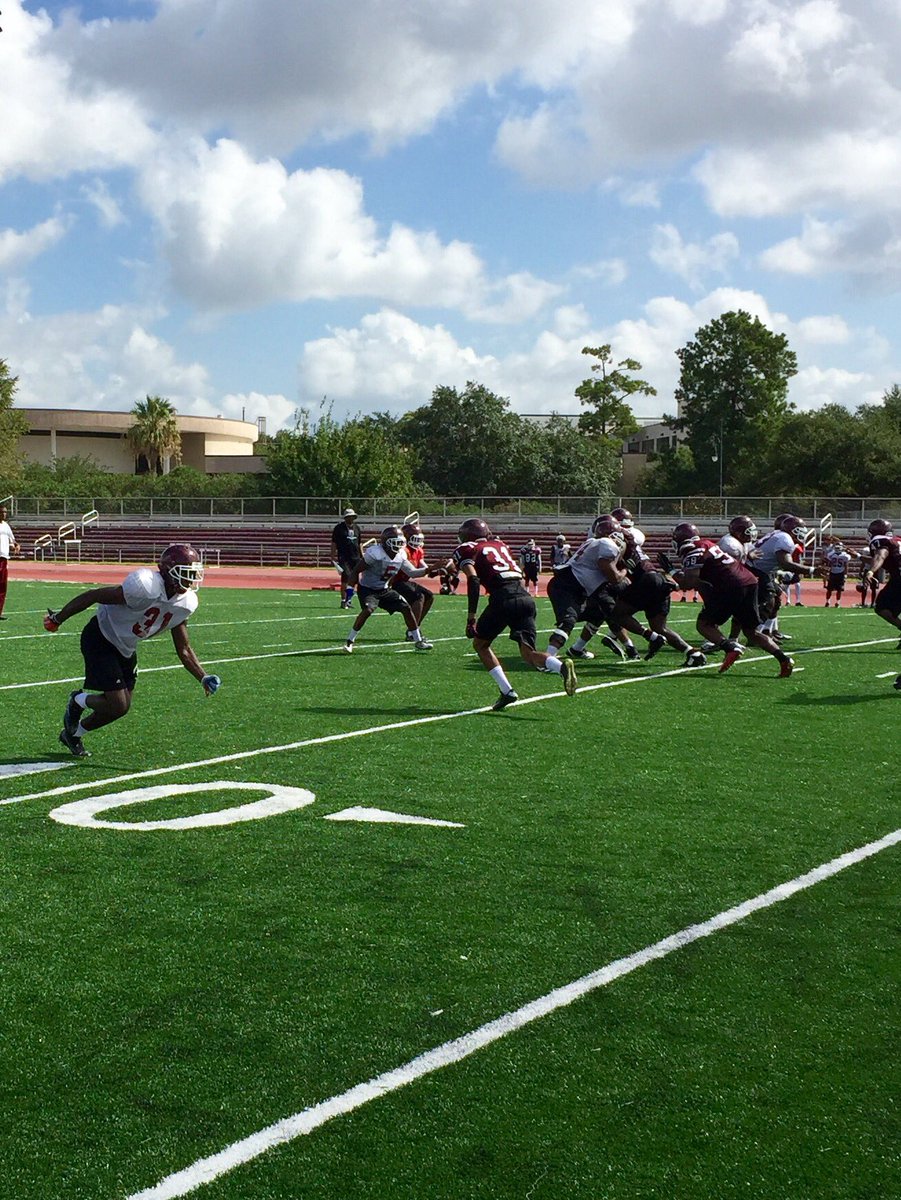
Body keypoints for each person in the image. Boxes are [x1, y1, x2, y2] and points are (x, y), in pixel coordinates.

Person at [42, 544, 220, 758]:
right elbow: (94, 595)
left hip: (126, 646)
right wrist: (58, 618)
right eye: (186, 574)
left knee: (121, 708)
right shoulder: (145, 587)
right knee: (118, 704)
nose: (191, 580)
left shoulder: (185, 603)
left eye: (193, 574)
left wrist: (202, 676)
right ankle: (77, 700)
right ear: (168, 572)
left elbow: (183, 648)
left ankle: (73, 734)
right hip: (101, 636)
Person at [453, 518, 576, 709]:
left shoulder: (467, 549)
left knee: (480, 644)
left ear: (467, 535)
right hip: (525, 598)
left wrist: (471, 617)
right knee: (529, 654)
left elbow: (473, 579)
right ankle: (561, 667)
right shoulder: (500, 545)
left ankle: (507, 691)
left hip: (503, 598)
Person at [670, 522, 796, 677]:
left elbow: (690, 582)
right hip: (749, 581)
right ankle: (784, 659)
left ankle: (730, 647)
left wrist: (672, 571)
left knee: (704, 625)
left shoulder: (692, 551)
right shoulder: (708, 544)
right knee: (751, 632)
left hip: (730, 586)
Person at [546, 514, 628, 661]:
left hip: (573, 586)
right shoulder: (607, 544)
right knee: (568, 620)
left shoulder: (593, 541)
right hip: (567, 586)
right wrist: (624, 571)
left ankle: (577, 649)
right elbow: (613, 578)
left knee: (598, 613)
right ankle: (547, 658)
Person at [344, 526, 433, 652]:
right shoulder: (375, 553)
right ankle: (349, 641)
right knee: (368, 610)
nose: (398, 546)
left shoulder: (400, 555)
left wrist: (429, 569)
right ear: (386, 542)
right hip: (368, 589)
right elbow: (355, 571)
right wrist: (349, 590)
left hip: (384, 590)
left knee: (406, 608)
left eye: (400, 543)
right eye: (396, 543)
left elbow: (412, 573)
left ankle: (418, 640)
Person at [860, 519, 901, 646]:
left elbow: (880, 556)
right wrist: (857, 556)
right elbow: (879, 558)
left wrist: (871, 572)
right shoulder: (897, 540)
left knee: (882, 608)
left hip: (899, 577)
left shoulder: (879, 541)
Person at [395, 518, 436, 634]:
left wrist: (440, 570)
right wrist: (431, 569)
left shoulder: (418, 550)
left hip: (404, 580)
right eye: (415, 538)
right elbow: (411, 572)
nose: (417, 541)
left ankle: (415, 627)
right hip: (394, 581)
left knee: (429, 596)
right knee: (419, 597)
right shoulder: (403, 550)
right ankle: (413, 631)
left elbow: (424, 568)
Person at [330, 507, 363, 609]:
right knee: (346, 577)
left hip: (356, 557)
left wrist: (363, 555)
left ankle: (349, 600)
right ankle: (343, 600)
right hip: (344, 557)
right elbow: (334, 543)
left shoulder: (357, 528)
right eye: (348, 517)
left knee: (353, 580)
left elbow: (360, 543)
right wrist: (332, 556)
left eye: (352, 517)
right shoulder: (339, 528)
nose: (350, 519)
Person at [0, 504, 20, 620]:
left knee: (2, 587)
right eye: (2, 512)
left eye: (5, 512)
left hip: (4, 558)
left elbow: (12, 541)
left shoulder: (6, 526)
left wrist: (15, 546)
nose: (4, 514)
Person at [823, 539, 855, 607]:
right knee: (830, 589)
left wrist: (845, 574)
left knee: (839, 589)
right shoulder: (838, 555)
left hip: (839, 573)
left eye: (838, 547)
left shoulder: (834, 555)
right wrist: (828, 572)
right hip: (834, 573)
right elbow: (829, 564)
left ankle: (837, 602)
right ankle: (828, 601)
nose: (837, 548)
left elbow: (846, 565)